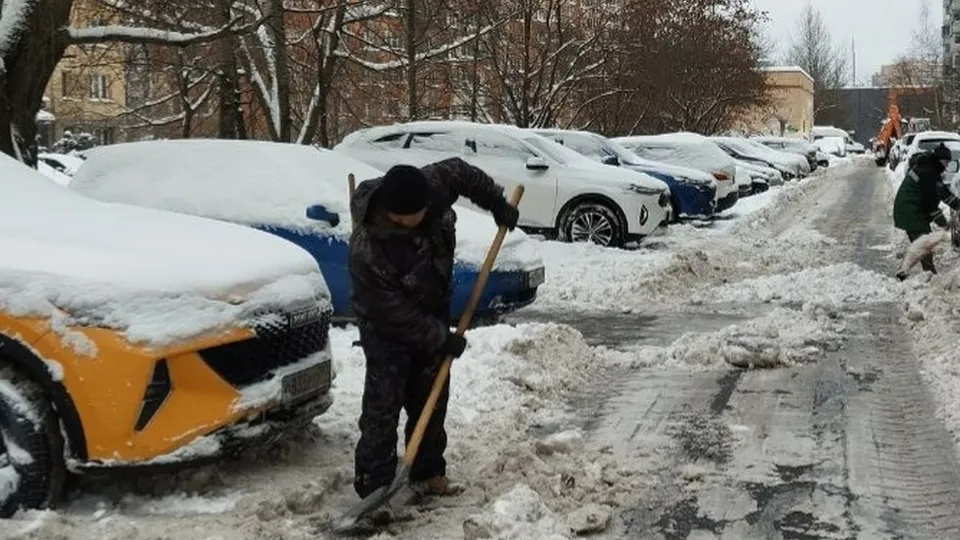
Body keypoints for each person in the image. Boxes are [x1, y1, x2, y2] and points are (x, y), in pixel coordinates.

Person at [348, 158, 519, 504]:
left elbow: (462, 172)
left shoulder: (429, 188)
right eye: (417, 215)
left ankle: (427, 473)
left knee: (431, 398)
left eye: (428, 209)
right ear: (396, 215)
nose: (427, 215)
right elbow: (390, 312)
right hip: (386, 330)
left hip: (431, 311)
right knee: (383, 407)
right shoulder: (369, 248)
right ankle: (374, 488)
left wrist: (496, 203)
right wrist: (442, 338)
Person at [893, 143, 959, 280]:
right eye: (945, 162)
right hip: (910, 210)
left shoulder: (930, 169)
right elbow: (930, 201)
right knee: (925, 243)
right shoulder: (928, 172)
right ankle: (927, 274)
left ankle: (908, 272)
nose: (946, 166)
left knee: (921, 244)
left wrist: (958, 204)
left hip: (910, 210)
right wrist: (941, 221)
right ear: (939, 159)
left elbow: (941, 192)